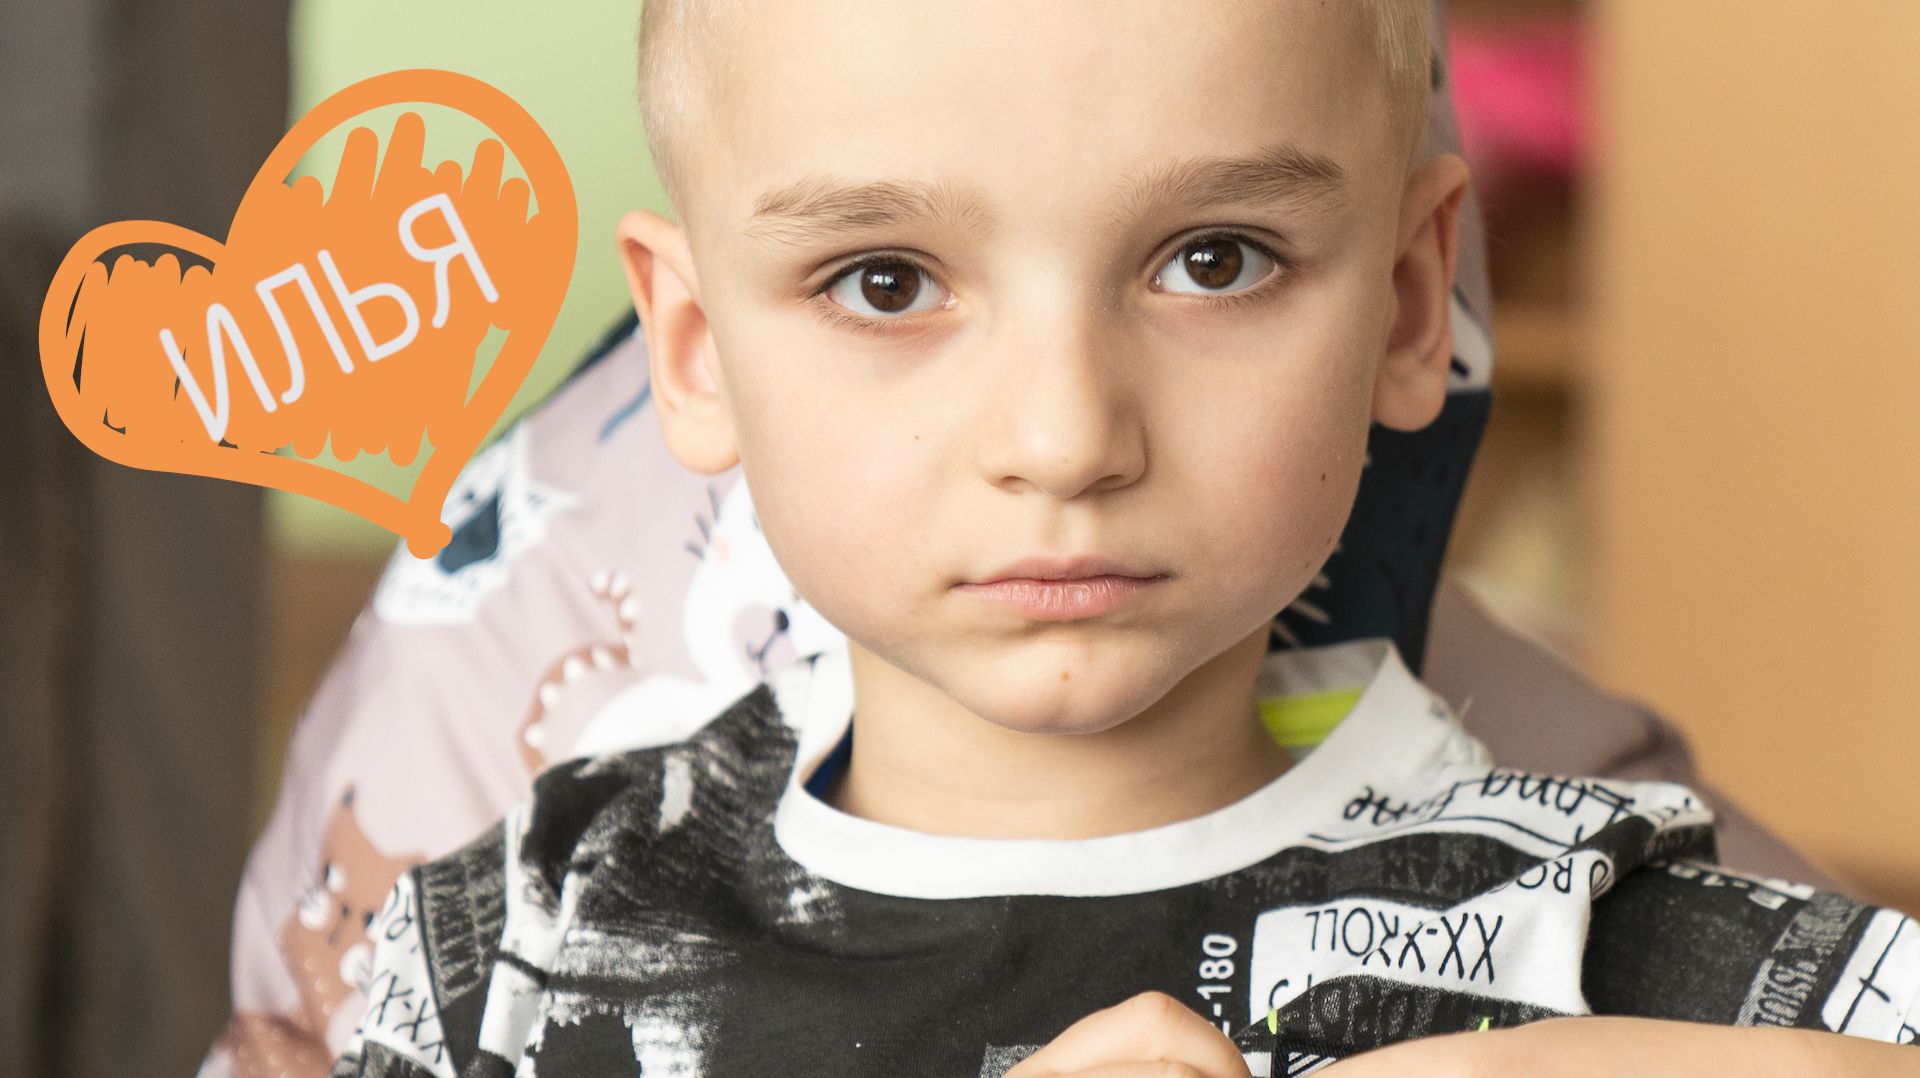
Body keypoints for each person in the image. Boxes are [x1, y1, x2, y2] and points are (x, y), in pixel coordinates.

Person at [322, 2, 1919, 1075]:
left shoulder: (1591, 920)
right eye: (887, 281)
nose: (1066, 435)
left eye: (1214, 260)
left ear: (1408, 304)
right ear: (695, 351)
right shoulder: (514, 940)